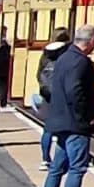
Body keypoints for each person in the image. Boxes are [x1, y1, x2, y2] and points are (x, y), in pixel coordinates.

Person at [37, 25, 94, 187]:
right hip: (75, 124)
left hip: (59, 120)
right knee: (77, 168)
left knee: (56, 169)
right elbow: (75, 90)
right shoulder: (80, 61)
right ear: (90, 41)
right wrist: (88, 115)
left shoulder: (65, 57)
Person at [34, 32, 70, 166]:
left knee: (47, 130)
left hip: (47, 97)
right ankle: (62, 159)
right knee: (64, 131)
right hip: (61, 99)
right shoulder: (65, 58)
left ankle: (45, 158)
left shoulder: (45, 56)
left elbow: (39, 75)